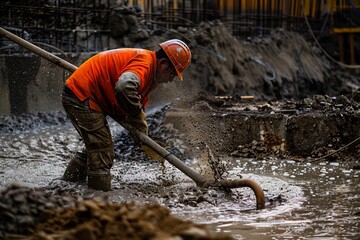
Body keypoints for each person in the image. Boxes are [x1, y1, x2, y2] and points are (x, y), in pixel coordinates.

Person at [61, 39, 191, 191]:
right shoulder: (144, 64)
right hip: (81, 96)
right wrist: (137, 116)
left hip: (93, 97)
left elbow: (129, 102)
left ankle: (67, 186)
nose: (171, 79)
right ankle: (98, 199)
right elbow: (124, 87)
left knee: (95, 149)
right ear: (163, 63)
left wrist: (137, 127)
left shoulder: (149, 73)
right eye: (172, 73)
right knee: (102, 150)